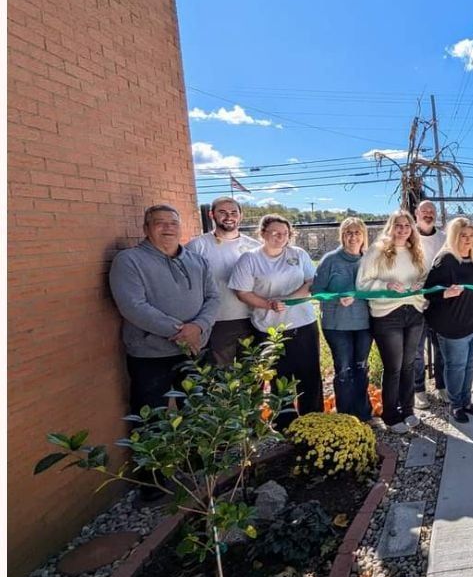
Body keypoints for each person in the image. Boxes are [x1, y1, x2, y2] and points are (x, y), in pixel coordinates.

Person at [109, 204, 220, 500]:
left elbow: (213, 297)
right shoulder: (129, 261)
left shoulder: (197, 261)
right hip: (150, 355)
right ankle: (153, 482)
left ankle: (200, 465)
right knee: (151, 418)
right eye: (159, 223)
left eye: (173, 222)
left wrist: (198, 328)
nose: (168, 228)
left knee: (198, 410)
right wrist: (180, 332)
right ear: (146, 228)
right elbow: (133, 306)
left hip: (196, 350)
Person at [229, 214, 321, 429]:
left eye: (285, 233)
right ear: (262, 234)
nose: (281, 237)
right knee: (280, 377)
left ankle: (314, 423)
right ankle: (285, 425)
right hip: (270, 329)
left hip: (304, 325)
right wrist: (268, 304)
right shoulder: (250, 259)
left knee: (310, 375)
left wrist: (289, 299)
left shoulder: (298, 254)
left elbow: (311, 281)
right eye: (275, 233)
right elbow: (242, 292)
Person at [356, 210, 428, 433]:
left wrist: (420, 286)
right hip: (387, 315)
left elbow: (425, 278)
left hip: (414, 312)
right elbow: (362, 285)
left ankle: (408, 410)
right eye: (398, 225)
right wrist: (385, 286)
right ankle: (390, 414)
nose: (403, 229)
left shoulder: (415, 251)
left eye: (407, 226)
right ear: (391, 226)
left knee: (409, 364)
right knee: (394, 367)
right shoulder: (377, 252)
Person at [425, 218, 473, 423]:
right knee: (456, 366)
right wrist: (445, 294)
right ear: (454, 237)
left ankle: (466, 401)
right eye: (463, 235)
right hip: (453, 327)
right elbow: (429, 292)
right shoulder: (444, 260)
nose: (468, 239)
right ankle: (456, 404)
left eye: (471, 236)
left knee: (469, 365)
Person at [185, 197, 261, 365]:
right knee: (219, 378)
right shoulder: (197, 246)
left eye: (234, 212)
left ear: (241, 216)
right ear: (212, 215)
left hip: (252, 319)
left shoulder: (254, 247)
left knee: (253, 375)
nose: (229, 217)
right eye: (222, 212)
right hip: (215, 322)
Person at [313, 218, 372, 421]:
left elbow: (375, 288)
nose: (353, 236)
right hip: (337, 325)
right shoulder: (330, 260)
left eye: (357, 232)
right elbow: (317, 291)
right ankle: (346, 417)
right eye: (348, 232)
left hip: (364, 324)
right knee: (344, 369)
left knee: (361, 367)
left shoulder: (370, 259)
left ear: (364, 235)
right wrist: (337, 299)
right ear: (342, 236)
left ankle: (363, 413)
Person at [413, 200, 446, 408]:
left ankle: (442, 386)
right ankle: (419, 389)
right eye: (424, 211)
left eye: (431, 211)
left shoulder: (443, 238)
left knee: (441, 347)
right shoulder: (409, 236)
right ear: (416, 214)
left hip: (439, 302)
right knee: (416, 350)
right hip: (415, 302)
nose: (428, 214)